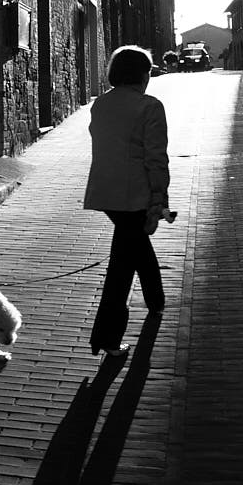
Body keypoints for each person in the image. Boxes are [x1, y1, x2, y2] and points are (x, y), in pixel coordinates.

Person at [83, 44, 170, 358]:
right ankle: (106, 338)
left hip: (106, 193)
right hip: (134, 195)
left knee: (134, 249)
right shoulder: (149, 106)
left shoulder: (100, 104)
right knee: (121, 267)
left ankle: (156, 301)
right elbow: (156, 158)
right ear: (142, 74)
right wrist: (159, 198)